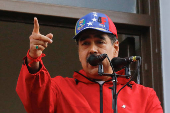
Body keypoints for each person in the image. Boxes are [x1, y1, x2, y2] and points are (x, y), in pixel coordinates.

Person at [16, 12, 163, 113]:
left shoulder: (145, 96)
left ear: (115, 48)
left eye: (100, 42)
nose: (92, 49)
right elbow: (35, 100)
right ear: (79, 52)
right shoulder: (60, 89)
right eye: (85, 43)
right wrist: (33, 59)